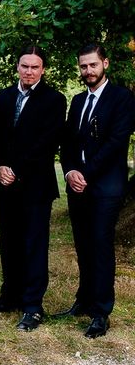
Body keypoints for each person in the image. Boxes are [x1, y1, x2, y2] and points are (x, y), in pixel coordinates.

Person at [0, 46, 66, 332]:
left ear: (42, 69)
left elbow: (46, 144)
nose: (29, 71)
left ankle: (33, 306)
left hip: (36, 186)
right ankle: (9, 297)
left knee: (34, 245)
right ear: (17, 67)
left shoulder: (55, 100)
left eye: (35, 67)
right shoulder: (4, 97)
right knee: (9, 243)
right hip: (5, 184)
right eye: (24, 66)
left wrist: (16, 169)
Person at [59, 43, 135, 338]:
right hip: (78, 187)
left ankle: (101, 312)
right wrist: (69, 171)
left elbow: (116, 143)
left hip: (106, 187)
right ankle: (84, 299)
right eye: (83, 66)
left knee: (101, 246)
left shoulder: (122, 98)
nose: (87, 71)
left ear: (106, 64)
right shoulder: (77, 100)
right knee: (82, 245)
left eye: (93, 65)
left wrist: (85, 173)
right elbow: (67, 143)